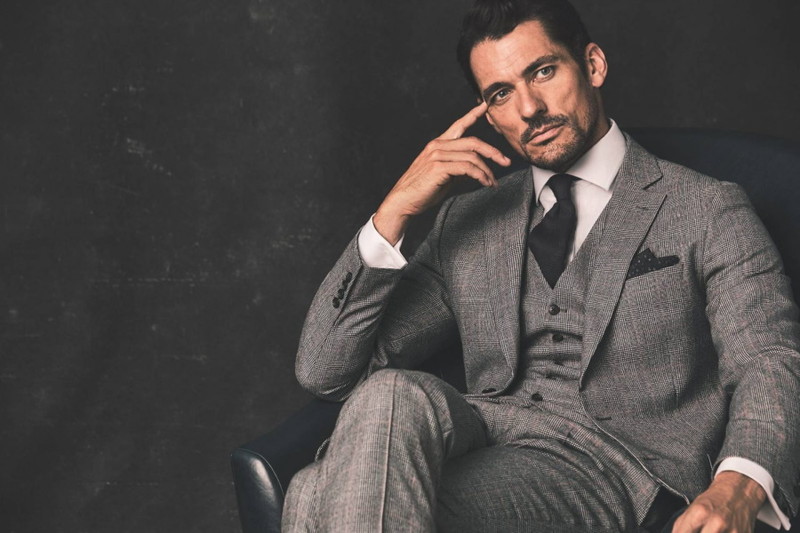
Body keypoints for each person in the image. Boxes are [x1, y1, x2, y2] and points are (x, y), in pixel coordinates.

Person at [282, 0, 800, 531]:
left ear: (592, 65)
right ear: (488, 114)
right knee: (388, 393)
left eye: (543, 71)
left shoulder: (706, 208)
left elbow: (770, 357)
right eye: (501, 94)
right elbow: (326, 371)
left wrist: (741, 481)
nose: (529, 108)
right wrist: (392, 214)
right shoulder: (469, 220)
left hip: (614, 467)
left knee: (313, 494)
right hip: (488, 432)